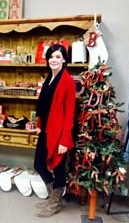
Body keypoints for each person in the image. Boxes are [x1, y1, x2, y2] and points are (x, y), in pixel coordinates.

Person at [33, 44, 76, 217]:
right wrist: (39, 125)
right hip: (46, 129)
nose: (54, 60)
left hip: (59, 133)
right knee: (38, 164)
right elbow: (44, 106)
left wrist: (64, 140)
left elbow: (69, 114)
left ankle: (56, 202)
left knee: (58, 167)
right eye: (51, 56)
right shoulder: (49, 78)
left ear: (64, 59)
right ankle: (53, 197)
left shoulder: (68, 82)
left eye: (58, 57)